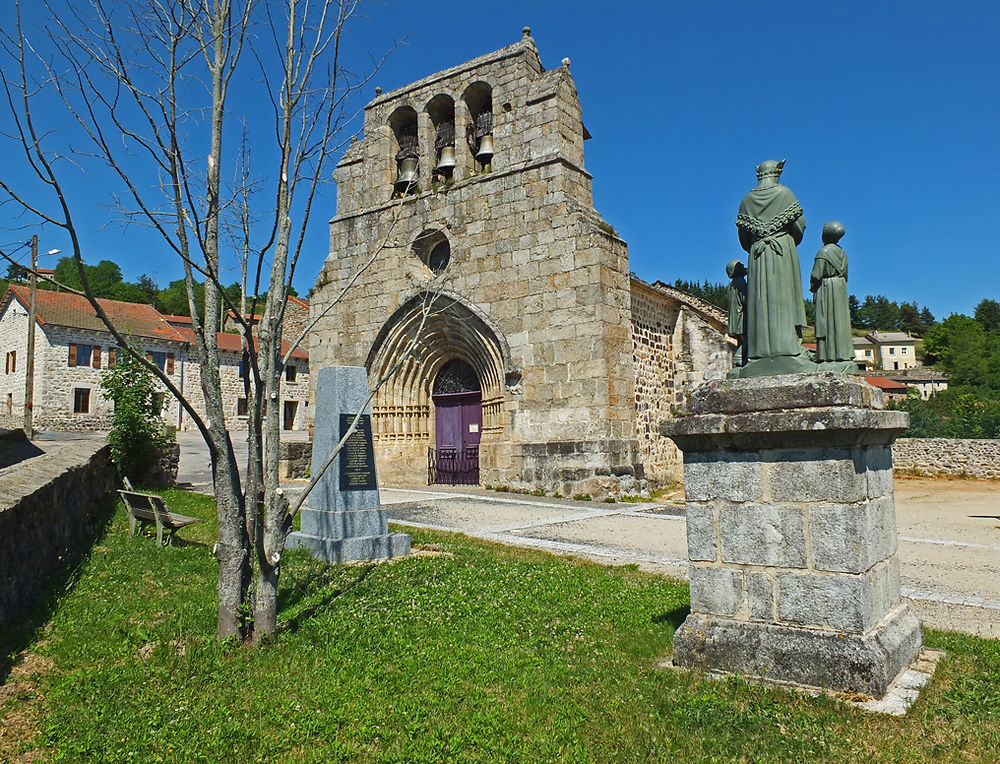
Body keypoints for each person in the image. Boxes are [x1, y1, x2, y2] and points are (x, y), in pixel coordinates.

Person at [734, 159, 814, 375]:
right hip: (782, 252)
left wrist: (758, 240)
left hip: (758, 256)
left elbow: (743, 240)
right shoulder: (785, 194)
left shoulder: (746, 200)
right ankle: (788, 350)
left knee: (761, 301)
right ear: (776, 173)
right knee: (784, 298)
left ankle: (761, 352)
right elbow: (798, 229)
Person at [811, 221, 854, 363]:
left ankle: (826, 356)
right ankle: (843, 354)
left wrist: (813, 287)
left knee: (826, 321)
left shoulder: (823, 252)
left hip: (827, 287)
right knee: (839, 322)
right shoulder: (843, 253)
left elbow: (816, 275)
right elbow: (846, 275)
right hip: (840, 288)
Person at [726, 259, 748, 366]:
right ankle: (738, 359)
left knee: (741, 342)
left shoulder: (732, 285)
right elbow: (746, 300)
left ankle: (741, 362)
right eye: (741, 266)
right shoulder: (741, 283)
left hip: (735, 319)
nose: (744, 267)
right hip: (742, 318)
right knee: (750, 341)